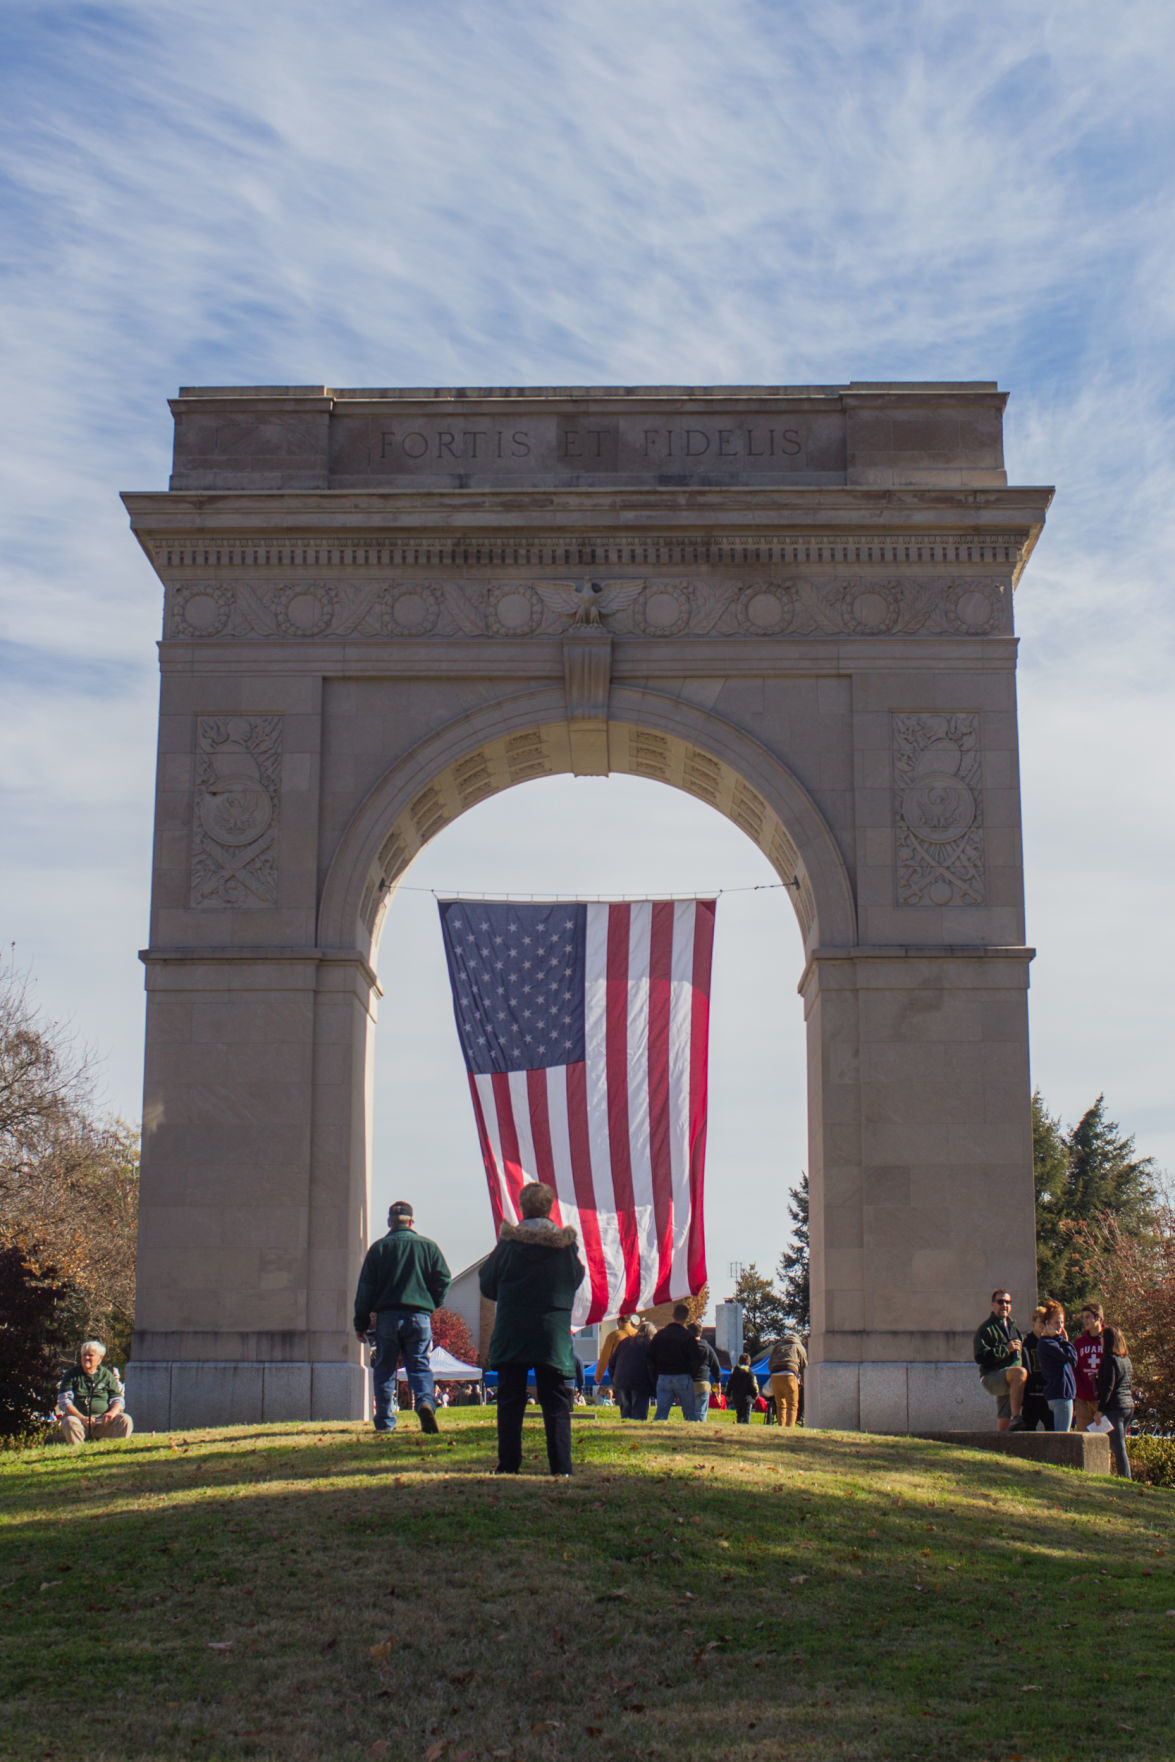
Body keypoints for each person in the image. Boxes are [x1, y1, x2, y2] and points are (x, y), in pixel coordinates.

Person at [478, 1182, 585, 1476]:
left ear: (522, 1207)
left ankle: (509, 1466)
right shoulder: (566, 1249)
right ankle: (561, 1468)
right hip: (552, 1334)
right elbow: (576, 1278)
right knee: (556, 1403)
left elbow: (486, 1283)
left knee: (510, 1399)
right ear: (549, 1207)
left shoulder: (509, 1245)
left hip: (513, 1330)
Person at [353, 1200, 451, 1435]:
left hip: (387, 1317)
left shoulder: (378, 1249)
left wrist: (361, 1322)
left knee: (385, 1368)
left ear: (389, 1222)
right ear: (412, 1221)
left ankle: (385, 1421)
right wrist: (431, 1304)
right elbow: (443, 1280)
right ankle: (426, 1402)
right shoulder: (428, 1247)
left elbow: (365, 1289)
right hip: (419, 1316)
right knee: (419, 1365)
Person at [55, 1341, 132, 1444]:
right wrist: (81, 1418)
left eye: (90, 1355)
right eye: (84, 1355)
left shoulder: (106, 1375)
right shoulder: (71, 1375)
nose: (86, 1358)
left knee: (125, 1420)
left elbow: (117, 1400)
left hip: (103, 1421)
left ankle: (115, 1450)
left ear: (99, 1358)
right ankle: (77, 1454)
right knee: (69, 1422)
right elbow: (64, 1401)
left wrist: (111, 1414)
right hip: (79, 1421)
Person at [972, 1289, 1028, 1432]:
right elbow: (980, 1358)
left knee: (1004, 1416)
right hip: (991, 1376)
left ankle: (1000, 1444)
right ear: (993, 1305)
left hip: (1011, 1380)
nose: (1004, 1305)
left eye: (1008, 1302)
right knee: (1019, 1373)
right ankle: (1017, 1417)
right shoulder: (986, 1329)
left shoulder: (1014, 1329)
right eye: (1000, 1302)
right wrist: (1005, 1349)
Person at [647, 1304, 704, 1420]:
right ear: (686, 1318)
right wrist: (691, 1375)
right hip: (683, 1376)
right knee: (690, 1414)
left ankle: (656, 1434)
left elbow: (650, 1357)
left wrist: (655, 1376)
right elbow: (696, 1360)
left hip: (663, 1377)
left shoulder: (660, 1335)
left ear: (673, 1315)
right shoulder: (688, 1337)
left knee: (661, 1413)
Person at [1095, 1324, 1134, 1478]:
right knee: (1120, 1442)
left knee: (1118, 1446)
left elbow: (1108, 1388)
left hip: (1115, 1407)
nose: (1100, 1341)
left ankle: (1126, 1477)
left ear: (1108, 1340)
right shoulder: (1126, 1360)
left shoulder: (1109, 1360)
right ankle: (1123, 1475)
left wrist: (1100, 1410)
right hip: (1128, 1405)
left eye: (1102, 1337)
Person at [1036, 1301, 1078, 1434]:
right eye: (1056, 1323)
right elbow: (1071, 1357)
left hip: (1063, 1394)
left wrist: (1061, 1339)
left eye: (1062, 1322)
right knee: (1063, 1435)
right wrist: (1061, 1339)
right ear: (1047, 1323)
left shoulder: (1054, 1342)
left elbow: (1072, 1359)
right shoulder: (1047, 1343)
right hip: (1060, 1394)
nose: (1060, 1326)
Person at [609, 1320, 656, 1420]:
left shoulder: (625, 1341)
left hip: (621, 1380)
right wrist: (654, 1385)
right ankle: (637, 1432)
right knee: (639, 1413)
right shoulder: (649, 1344)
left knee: (626, 1412)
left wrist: (614, 1380)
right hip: (640, 1382)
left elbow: (612, 1362)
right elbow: (652, 1367)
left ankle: (624, 1431)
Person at [1073, 1302, 1106, 1435]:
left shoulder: (1108, 1339)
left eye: (1088, 1317)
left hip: (1103, 1401)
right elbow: (1075, 1370)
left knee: (1104, 1440)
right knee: (1084, 1438)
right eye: (1083, 1317)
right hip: (1083, 1400)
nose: (1085, 1321)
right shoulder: (1079, 1343)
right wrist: (1080, 1393)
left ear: (1098, 1318)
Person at [1019, 1306, 1054, 1432]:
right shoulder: (1027, 1342)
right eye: (1041, 1322)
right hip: (1031, 1394)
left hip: (1047, 1394)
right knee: (1028, 1428)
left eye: (1046, 1322)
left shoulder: (1051, 1341)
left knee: (1052, 1427)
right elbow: (1024, 1366)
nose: (1043, 1325)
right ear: (1034, 1321)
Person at [767, 1331, 807, 1427]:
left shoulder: (778, 1346)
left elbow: (770, 1364)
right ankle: (789, 1428)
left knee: (780, 1404)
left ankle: (781, 1426)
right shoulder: (799, 1347)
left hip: (775, 1375)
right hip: (789, 1374)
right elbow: (804, 1366)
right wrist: (804, 1381)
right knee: (792, 1404)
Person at [688, 1322, 723, 1422]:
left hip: (688, 1383)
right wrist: (717, 1382)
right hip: (703, 1383)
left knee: (689, 1413)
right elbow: (716, 1367)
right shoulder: (707, 1348)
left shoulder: (685, 1347)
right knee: (701, 1413)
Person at [595, 1315, 638, 1393]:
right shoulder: (638, 1334)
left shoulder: (613, 1336)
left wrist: (598, 1377)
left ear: (619, 1321)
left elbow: (604, 1358)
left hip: (620, 1372)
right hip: (637, 1372)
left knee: (624, 1402)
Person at [726, 1354, 759, 1424]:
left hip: (736, 1397)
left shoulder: (735, 1372)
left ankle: (739, 1424)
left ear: (739, 1362)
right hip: (747, 1398)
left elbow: (729, 1384)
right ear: (749, 1363)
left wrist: (728, 1394)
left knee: (739, 1414)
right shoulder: (749, 1373)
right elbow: (753, 1385)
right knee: (746, 1415)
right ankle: (745, 1426)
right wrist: (755, 1395)